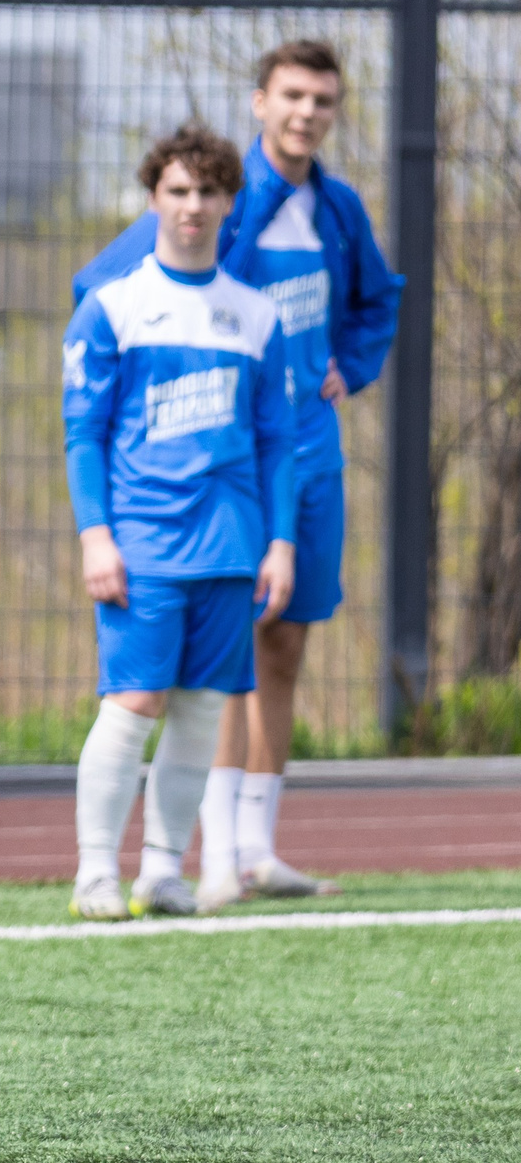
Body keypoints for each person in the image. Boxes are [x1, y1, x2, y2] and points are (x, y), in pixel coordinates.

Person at [72, 45, 399, 910]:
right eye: (293, 96)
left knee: (284, 641)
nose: (307, 112)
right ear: (262, 102)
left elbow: (379, 297)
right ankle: (200, 856)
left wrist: (348, 366)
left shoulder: (336, 207)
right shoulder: (218, 191)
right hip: (209, 476)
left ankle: (255, 849)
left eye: (323, 99)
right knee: (207, 670)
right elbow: (105, 290)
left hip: (300, 450)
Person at [62, 124, 296, 924]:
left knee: (201, 710)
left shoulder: (256, 317)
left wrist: (281, 543)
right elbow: (82, 436)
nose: (194, 205)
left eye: (209, 191)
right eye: (178, 190)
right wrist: (97, 535)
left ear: (231, 202)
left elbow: (278, 443)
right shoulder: (112, 308)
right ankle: (96, 870)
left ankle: (162, 871)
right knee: (132, 704)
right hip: (143, 547)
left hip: (230, 549)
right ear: (155, 197)